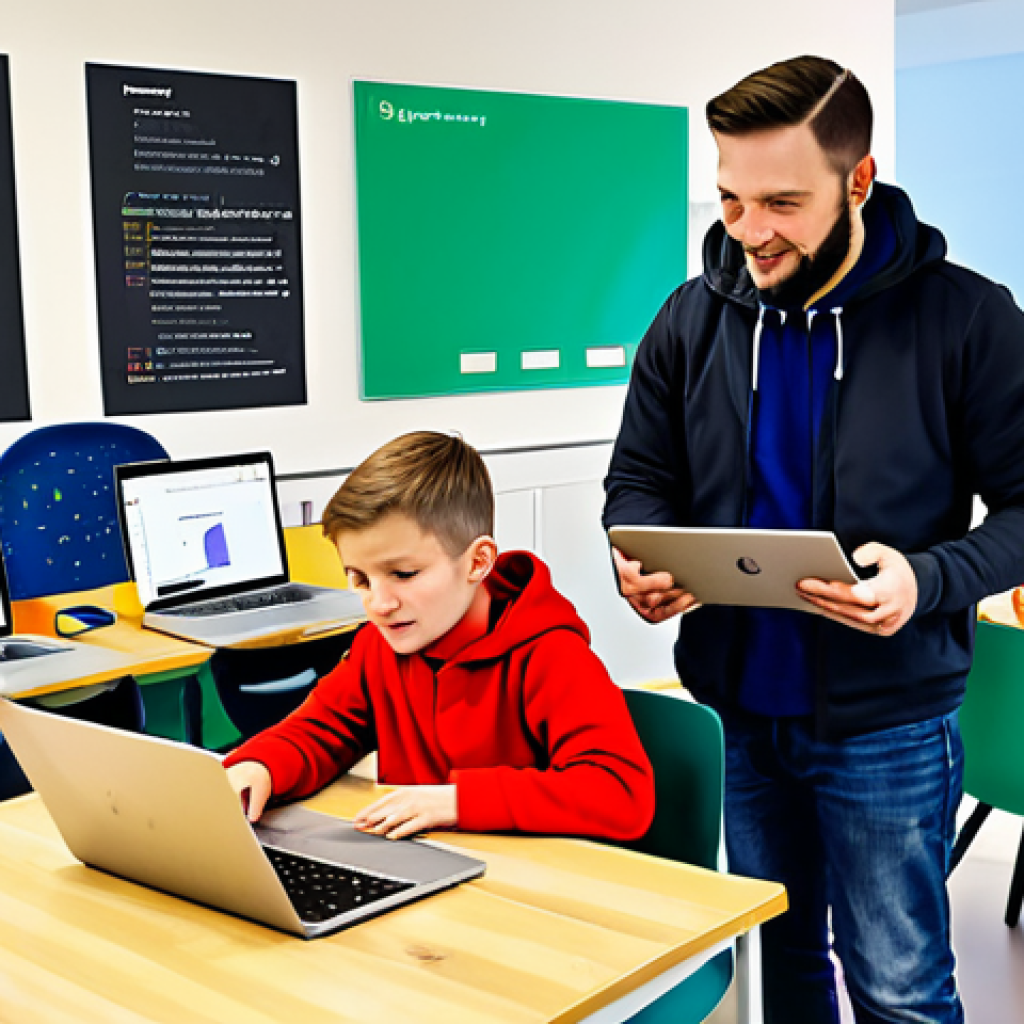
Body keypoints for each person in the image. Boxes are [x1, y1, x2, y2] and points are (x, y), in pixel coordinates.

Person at [602, 55, 1024, 1024]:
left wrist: (927, 579)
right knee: (780, 972)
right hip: (740, 715)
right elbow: (638, 476)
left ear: (858, 180)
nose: (749, 231)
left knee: (898, 989)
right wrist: (641, 557)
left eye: (782, 203)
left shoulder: (966, 318)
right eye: (731, 199)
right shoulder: (691, 317)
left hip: (889, 725)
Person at [226, 430, 654, 843]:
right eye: (360, 579)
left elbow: (620, 792)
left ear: (477, 562)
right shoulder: (379, 644)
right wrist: (259, 767)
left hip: (534, 880)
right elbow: (319, 731)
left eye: (403, 574)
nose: (379, 604)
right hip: (423, 868)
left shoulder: (551, 654)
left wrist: (458, 802)